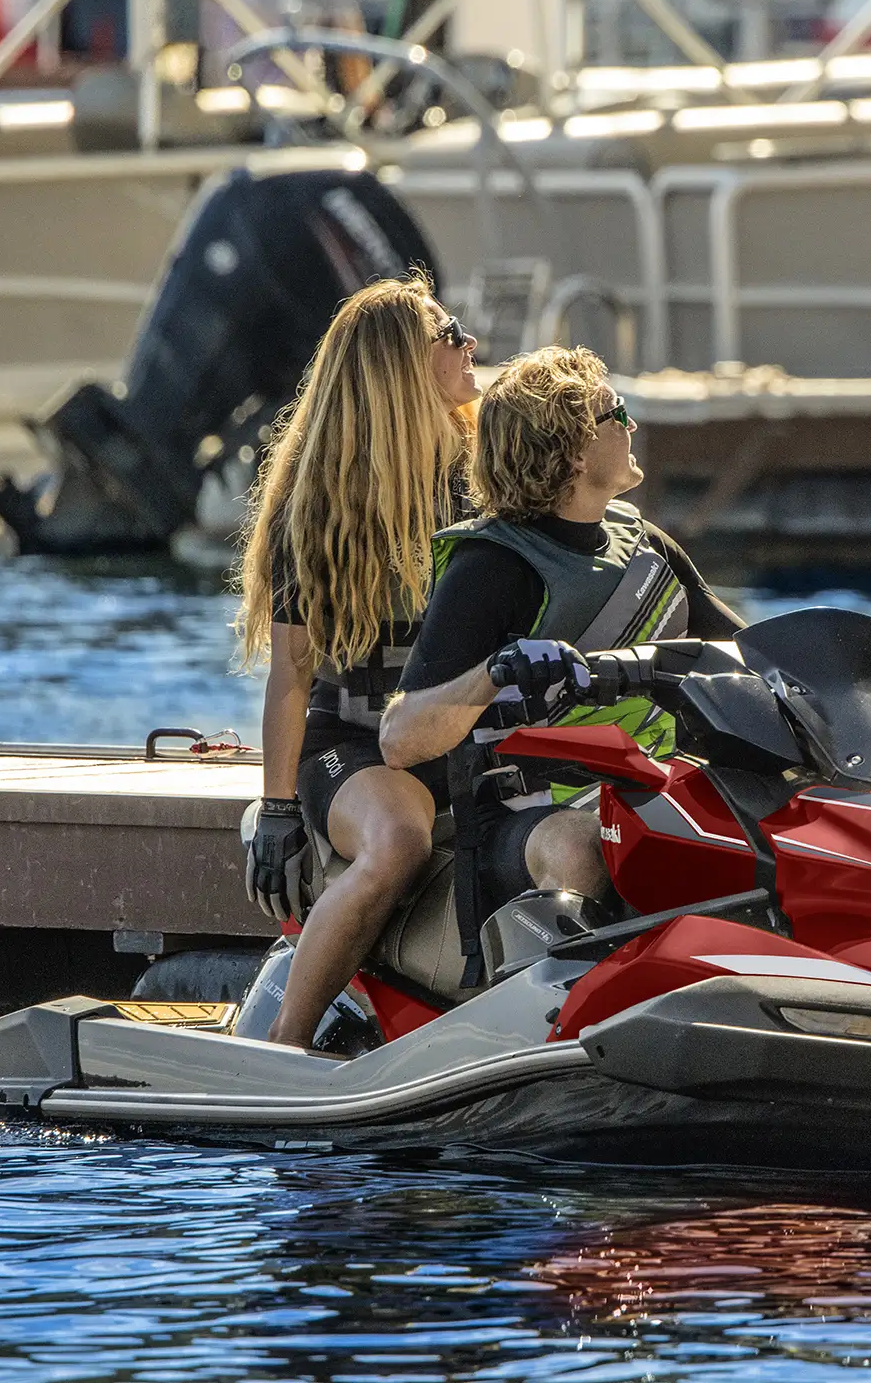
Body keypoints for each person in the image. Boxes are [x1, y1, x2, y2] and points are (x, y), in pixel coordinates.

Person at [373, 348, 744, 970]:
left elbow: (750, 652)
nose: (630, 427)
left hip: (654, 789)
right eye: (615, 413)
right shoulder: (491, 567)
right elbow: (401, 738)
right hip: (525, 818)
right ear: (573, 449)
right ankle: (558, 1021)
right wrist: (496, 671)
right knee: (583, 847)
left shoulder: (647, 545)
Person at [236, 275, 478, 1048]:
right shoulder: (320, 506)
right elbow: (292, 677)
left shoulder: (484, 481)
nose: (471, 344)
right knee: (400, 839)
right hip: (356, 750)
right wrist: (277, 810)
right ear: (401, 369)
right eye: (451, 334)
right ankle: (284, 1050)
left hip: (467, 749)